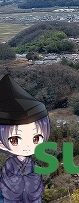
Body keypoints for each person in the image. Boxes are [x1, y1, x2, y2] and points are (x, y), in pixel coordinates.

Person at [0, 74, 49, 203]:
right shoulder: (9, 166)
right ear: (1, 143)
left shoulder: (33, 165)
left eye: (36, 138)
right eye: (15, 140)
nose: (28, 146)